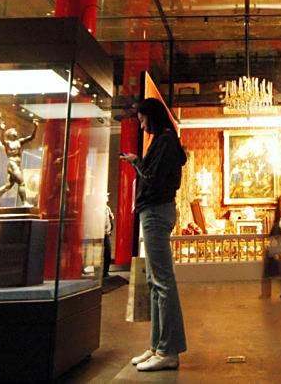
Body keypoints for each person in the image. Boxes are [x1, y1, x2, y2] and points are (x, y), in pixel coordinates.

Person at [119, 98, 187, 372]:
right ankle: (158, 345)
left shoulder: (165, 141)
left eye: (143, 120)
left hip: (157, 211)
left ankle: (168, 350)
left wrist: (137, 162)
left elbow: (152, 178)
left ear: (152, 117)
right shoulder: (165, 140)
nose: (141, 125)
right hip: (156, 210)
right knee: (155, 281)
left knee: (162, 281)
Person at [0, 119, 39, 207]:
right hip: (12, 164)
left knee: (8, 186)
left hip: (16, 165)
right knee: (21, 182)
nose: (16, 132)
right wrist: (2, 130)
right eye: (14, 131)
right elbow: (2, 140)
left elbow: (31, 137)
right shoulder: (8, 143)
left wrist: (36, 127)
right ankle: (25, 203)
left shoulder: (19, 142)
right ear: (9, 134)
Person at [260, 201, 281, 299]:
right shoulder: (277, 227)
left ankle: (267, 293)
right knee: (275, 275)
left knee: (268, 275)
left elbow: (275, 241)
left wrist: (272, 252)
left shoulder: (276, 228)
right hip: (274, 254)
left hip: (273, 254)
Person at [103, 193, 114, 279]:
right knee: (104, 253)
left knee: (108, 253)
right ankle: (103, 272)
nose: (108, 197)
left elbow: (110, 219)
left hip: (107, 233)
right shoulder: (100, 208)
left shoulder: (107, 208)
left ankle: (105, 272)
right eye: (106, 196)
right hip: (102, 233)